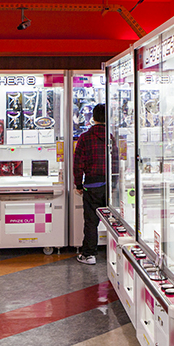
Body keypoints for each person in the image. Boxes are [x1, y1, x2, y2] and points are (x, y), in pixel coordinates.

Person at [73, 103, 106, 265]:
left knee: (91, 222)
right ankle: (115, 253)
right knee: (113, 220)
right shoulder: (111, 137)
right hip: (110, 186)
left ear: (93, 117)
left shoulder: (85, 137)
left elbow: (78, 164)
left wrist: (78, 185)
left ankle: (89, 254)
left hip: (92, 185)